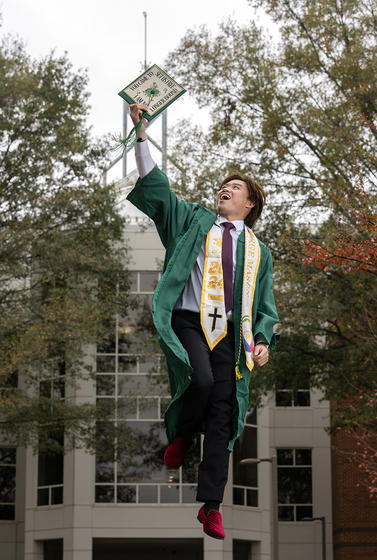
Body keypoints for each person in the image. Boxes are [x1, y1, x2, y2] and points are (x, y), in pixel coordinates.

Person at [127, 103, 279, 540]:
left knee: (225, 415)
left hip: (232, 335)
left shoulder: (259, 252)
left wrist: (264, 340)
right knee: (202, 383)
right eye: (223, 186)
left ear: (250, 204)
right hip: (192, 322)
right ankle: (181, 434)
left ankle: (211, 505)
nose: (224, 191)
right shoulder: (195, 221)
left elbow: (265, 304)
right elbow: (157, 188)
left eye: (234, 188)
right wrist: (141, 133)